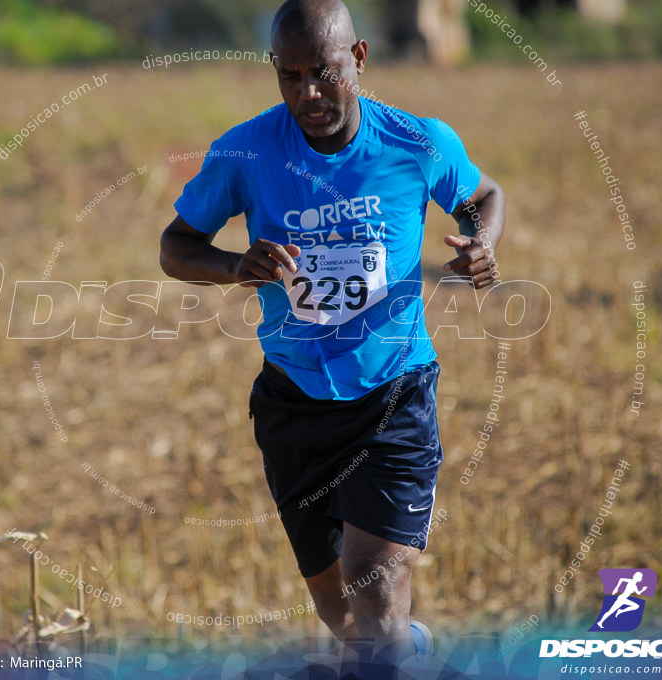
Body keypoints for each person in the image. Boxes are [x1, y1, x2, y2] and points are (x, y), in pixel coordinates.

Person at [158, 0, 505, 665]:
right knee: (340, 612)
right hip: (294, 404)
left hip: (393, 399)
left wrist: (482, 243)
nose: (307, 93)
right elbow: (176, 247)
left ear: (360, 59)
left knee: (377, 593)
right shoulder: (247, 150)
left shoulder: (417, 142)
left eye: (322, 71)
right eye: (289, 75)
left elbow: (485, 195)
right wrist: (236, 266)